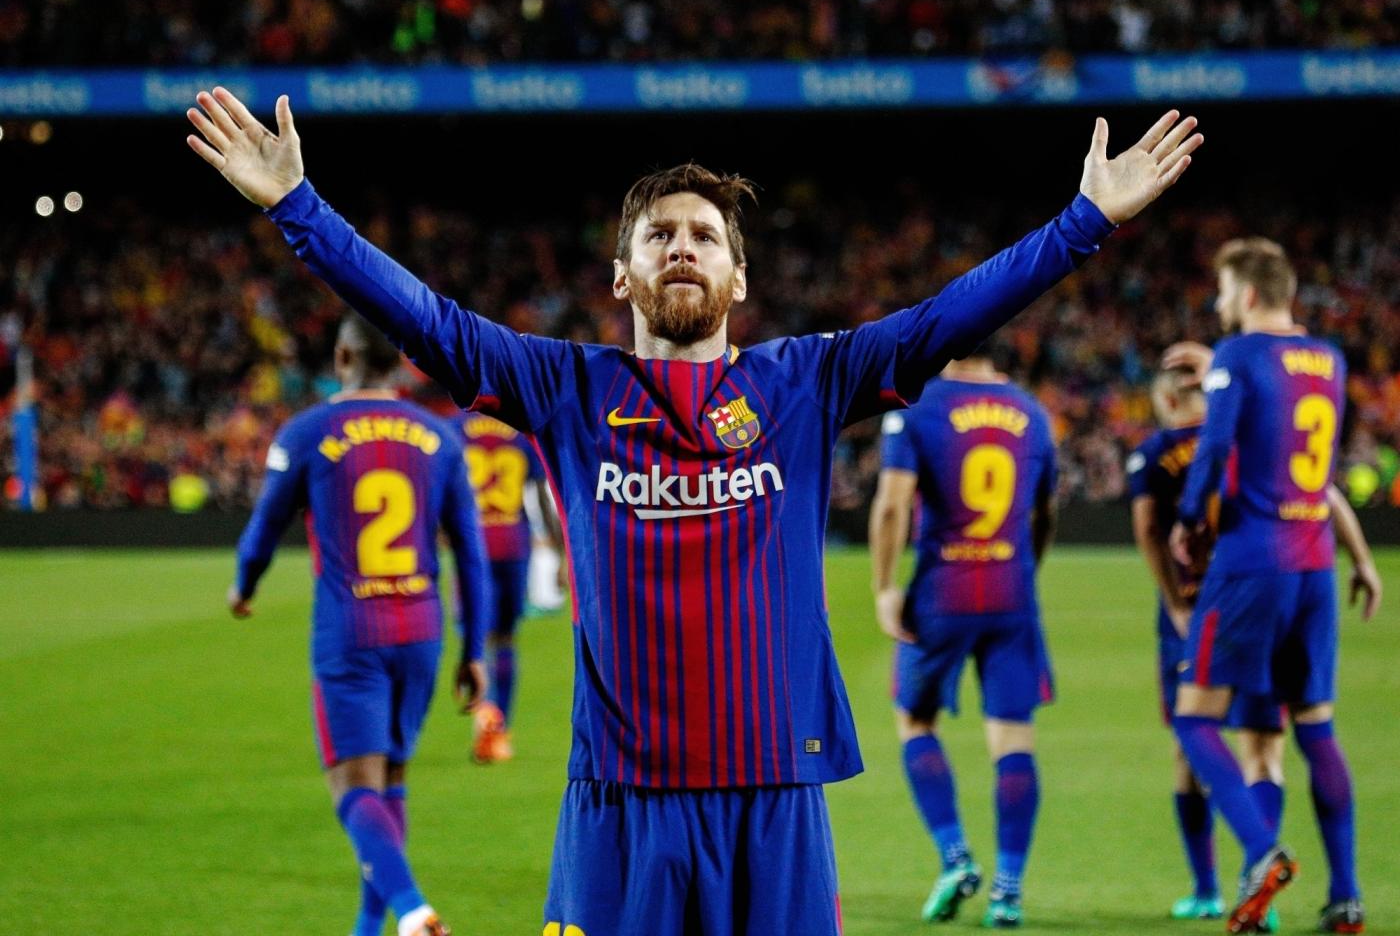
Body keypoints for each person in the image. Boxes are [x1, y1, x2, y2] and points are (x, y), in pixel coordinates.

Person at [187, 85, 1201, 935]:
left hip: (774, 796)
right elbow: (428, 320)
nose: (684, 246)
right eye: (660, 233)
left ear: (738, 274)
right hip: (617, 803)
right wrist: (297, 207)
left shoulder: (805, 381)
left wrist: (1086, 222)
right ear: (621, 273)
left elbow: (948, 315)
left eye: (705, 234)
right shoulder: (563, 389)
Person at [230, 312, 490, 936]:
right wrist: (474, 650)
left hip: (352, 631)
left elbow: (264, 529)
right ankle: (368, 929)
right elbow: (471, 554)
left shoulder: (307, 431)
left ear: (342, 361)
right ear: (400, 365)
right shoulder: (440, 437)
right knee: (391, 781)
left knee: (353, 785)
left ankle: (411, 910)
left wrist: (245, 585)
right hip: (422, 630)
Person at [1170, 240, 1380, 934]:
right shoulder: (1328, 359)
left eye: (1226, 293)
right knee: (1301, 727)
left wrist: (1187, 522)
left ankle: (1263, 853)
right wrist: (1361, 557)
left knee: (1195, 718)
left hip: (1251, 563)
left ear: (1251, 294)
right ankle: (1345, 897)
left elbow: (1215, 448)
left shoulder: (1239, 355)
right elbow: (1305, 466)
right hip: (1313, 562)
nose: (1222, 306)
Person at [868, 352, 1057, 928]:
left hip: (942, 592)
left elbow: (894, 503)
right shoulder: (1032, 411)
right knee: (1013, 739)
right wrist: (1029, 569)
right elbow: (1044, 512)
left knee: (916, 720)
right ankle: (1008, 889)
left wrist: (884, 586)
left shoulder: (918, 408)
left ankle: (954, 857)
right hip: (1010, 589)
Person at [460, 409, 562, 762]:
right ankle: (500, 727)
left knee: (477, 642)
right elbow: (542, 497)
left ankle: (485, 724)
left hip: (472, 547)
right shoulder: (518, 430)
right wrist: (561, 551)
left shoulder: (456, 429)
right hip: (512, 545)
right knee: (505, 639)